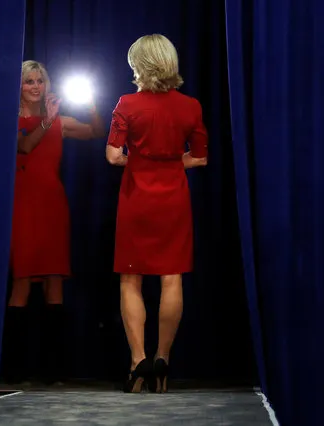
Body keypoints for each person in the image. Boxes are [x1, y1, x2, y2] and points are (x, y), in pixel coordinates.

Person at [105, 34, 208, 393]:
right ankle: (163, 358)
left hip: (137, 198)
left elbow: (114, 156)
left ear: (139, 65)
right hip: (174, 199)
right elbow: (199, 157)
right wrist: (168, 161)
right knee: (171, 277)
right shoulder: (190, 106)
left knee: (131, 279)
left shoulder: (127, 104)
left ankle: (138, 361)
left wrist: (143, 161)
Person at [2, 60, 105, 385]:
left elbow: (96, 132)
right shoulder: (11, 118)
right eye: (28, 81)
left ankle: (54, 370)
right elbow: (24, 146)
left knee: (54, 282)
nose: (35, 86)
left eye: (40, 81)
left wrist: (89, 102)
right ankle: (13, 370)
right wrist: (46, 121)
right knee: (21, 281)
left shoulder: (59, 120)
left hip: (52, 205)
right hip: (21, 205)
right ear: (18, 85)